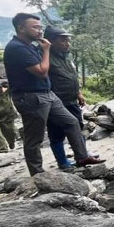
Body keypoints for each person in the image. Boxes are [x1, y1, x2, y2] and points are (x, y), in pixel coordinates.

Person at [3, 13, 103, 175]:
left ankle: (82, 157)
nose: (39, 31)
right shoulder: (17, 48)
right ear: (21, 28)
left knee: (71, 122)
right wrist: (46, 50)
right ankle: (38, 173)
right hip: (30, 96)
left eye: (40, 27)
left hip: (47, 93)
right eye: (35, 27)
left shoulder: (30, 46)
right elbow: (42, 72)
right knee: (34, 137)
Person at [43, 26, 94, 168]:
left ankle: (83, 154)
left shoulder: (65, 56)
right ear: (51, 41)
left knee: (78, 126)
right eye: (63, 40)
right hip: (56, 102)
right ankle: (62, 161)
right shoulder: (46, 57)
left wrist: (78, 93)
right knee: (56, 132)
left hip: (71, 99)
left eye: (68, 40)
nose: (67, 43)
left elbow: (72, 76)